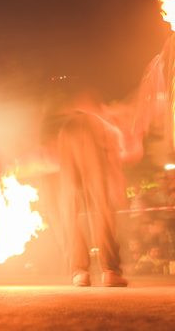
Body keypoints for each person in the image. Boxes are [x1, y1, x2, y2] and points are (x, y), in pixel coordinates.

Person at [56, 110, 128, 287]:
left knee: (70, 206)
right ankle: (110, 271)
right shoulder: (111, 129)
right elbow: (115, 164)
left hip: (66, 130)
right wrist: (119, 189)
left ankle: (79, 272)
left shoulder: (82, 122)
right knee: (103, 207)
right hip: (90, 131)